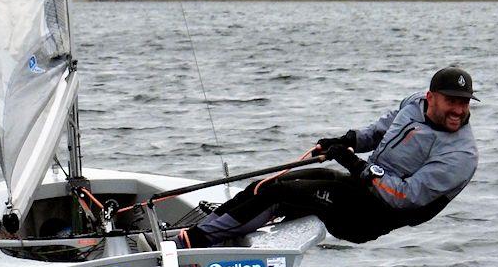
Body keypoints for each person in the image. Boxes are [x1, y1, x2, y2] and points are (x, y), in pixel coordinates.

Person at [178, 67, 479, 246]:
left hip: (372, 217)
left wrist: (354, 164)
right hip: (359, 187)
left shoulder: (460, 154)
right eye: (451, 101)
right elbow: (379, 131)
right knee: (268, 184)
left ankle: (190, 244)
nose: (458, 109)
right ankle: (206, 234)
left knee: (280, 194)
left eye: (464, 103)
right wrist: (346, 141)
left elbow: (403, 198)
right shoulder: (414, 104)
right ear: (430, 97)